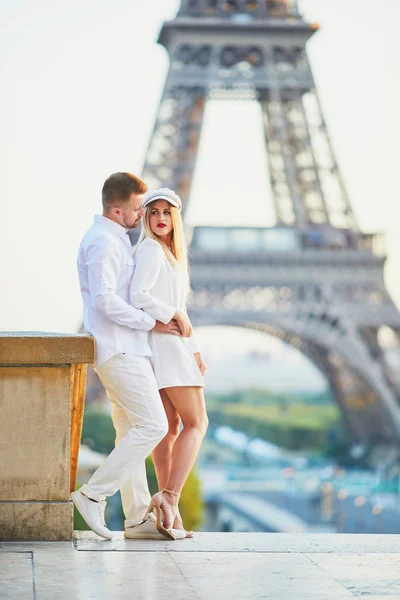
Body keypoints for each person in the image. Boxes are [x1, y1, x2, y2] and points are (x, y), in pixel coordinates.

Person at [72, 173, 191, 540]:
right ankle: (94, 493)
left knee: (129, 430)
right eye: (140, 208)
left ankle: (138, 518)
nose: (143, 215)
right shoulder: (105, 244)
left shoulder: (115, 240)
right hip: (119, 348)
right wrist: (149, 321)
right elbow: (105, 299)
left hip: (126, 347)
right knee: (153, 426)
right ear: (118, 207)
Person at [130, 187, 209, 538]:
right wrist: (170, 314)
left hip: (170, 348)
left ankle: (168, 518)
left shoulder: (168, 253)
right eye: (154, 213)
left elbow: (180, 308)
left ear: (175, 217)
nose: (160, 219)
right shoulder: (149, 249)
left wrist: (193, 348)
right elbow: (138, 295)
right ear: (146, 217)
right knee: (198, 422)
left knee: (170, 429)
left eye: (166, 213)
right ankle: (171, 497)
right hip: (166, 348)